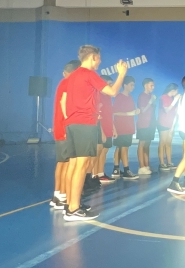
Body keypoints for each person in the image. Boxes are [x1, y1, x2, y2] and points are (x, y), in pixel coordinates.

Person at [61, 45, 127, 221]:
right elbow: (112, 91)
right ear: (92, 57)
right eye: (99, 58)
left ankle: (71, 203)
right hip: (85, 124)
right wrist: (121, 74)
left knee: (74, 165)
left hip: (72, 124)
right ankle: (73, 209)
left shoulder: (73, 76)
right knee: (81, 166)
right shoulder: (89, 74)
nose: (100, 61)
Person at [50, 60, 81, 212]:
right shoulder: (68, 84)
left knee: (62, 162)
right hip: (64, 128)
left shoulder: (64, 83)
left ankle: (58, 195)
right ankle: (61, 195)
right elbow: (65, 105)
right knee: (66, 162)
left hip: (61, 127)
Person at [111, 76, 139, 180]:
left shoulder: (130, 97)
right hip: (121, 126)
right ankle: (126, 170)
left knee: (120, 147)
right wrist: (128, 113)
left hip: (129, 126)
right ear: (125, 85)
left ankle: (116, 169)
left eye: (133, 85)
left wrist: (135, 111)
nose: (133, 87)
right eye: (131, 85)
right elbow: (114, 112)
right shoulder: (119, 97)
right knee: (124, 148)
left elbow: (132, 111)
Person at [135, 78, 157, 175]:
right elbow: (143, 110)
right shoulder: (142, 96)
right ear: (145, 85)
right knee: (142, 143)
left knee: (147, 144)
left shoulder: (151, 96)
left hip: (151, 123)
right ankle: (141, 166)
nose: (153, 87)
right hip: (143, 123)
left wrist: (152, 101)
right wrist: (150, 102)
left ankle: (147, 165)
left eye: (153, 85)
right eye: (151, 85)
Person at [157, 83, 180, 171]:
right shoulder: (164, 97)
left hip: (170, 124)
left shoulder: (172, 99)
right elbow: (166, 109)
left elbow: (175, 113)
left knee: (168, 143)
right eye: (176, 90)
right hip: (163, 123)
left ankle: (169, 162)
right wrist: (175, 101)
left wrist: (173, 126)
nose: (177, 92)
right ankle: (162, 163)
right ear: (172, 90)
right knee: (162, 142)